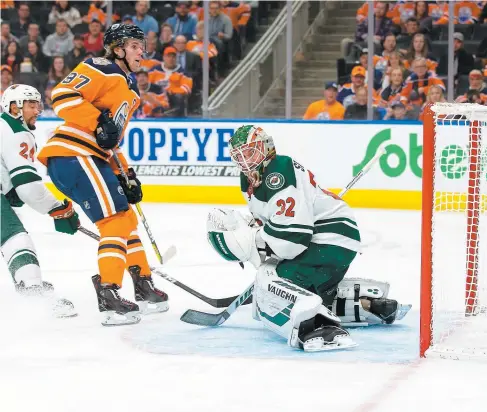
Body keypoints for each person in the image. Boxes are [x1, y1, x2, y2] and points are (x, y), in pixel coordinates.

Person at [205, 125, 410, 352]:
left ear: (266, 147)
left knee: (271, 278)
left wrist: (256, 244)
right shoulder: (251, 180)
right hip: (332, 243)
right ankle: (370, 306)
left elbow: (292, 240)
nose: (245, 161)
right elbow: (272, 221)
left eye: (250, 152)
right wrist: (260, 235)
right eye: (239, 156)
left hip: (328, 240)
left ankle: (319, 327)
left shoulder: (278, 171)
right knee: (308, 287)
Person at [36, 24, 169, 327]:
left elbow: (111, 139)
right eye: (134, 45)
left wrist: (127, 174)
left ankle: (143, 284)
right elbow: (63, 95)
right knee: (115, 221)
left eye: (141, 46)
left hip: (92, 157)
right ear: (118, 48)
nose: (141, 51)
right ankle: (108, 292)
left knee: (127, 219)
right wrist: (97, 121)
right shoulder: (102, 67)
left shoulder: (131, 89)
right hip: (73, 154)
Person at [0, 84, 79, 318]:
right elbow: (29, 187)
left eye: (38, 105)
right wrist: (58, 208)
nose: (37, 110)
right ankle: (33, 292)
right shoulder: (16, 131)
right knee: (15, 237)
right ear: (14, 107)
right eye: (31, 105)